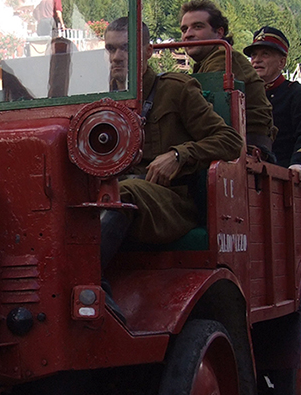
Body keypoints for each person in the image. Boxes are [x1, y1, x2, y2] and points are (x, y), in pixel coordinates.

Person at [98, 18, 243, 319]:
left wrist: (179, 154)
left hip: (169, 201)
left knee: (125, 191)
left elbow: (230, 140)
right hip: (107, 192)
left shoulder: (174, 90)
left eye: (126, 48)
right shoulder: (97, 99)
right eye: (110, 48)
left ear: (148, 51)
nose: (116, 57)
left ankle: (88, 283)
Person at [179, 0, 275, 158]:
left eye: (197, 27)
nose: (188, 34)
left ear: (219, 32)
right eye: (184, 29)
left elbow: (201, 108)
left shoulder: (224, 58)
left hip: (241, 151)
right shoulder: (208, 61)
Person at [244, 26, 301, 176]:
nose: (257, 60)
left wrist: (300, 163)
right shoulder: (244, 95)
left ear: (282, 63)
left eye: (265, 54)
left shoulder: (298, 95)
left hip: (283, 179)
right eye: (254, 55)